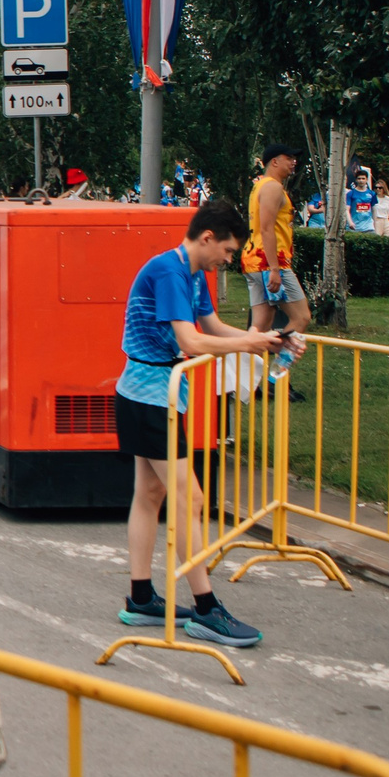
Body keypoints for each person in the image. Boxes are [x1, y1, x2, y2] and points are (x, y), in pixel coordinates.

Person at [114, 198, 283, 648]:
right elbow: (190, 339)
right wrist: (249, 346)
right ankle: (206, 609)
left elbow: (211, 324)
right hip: (150, 395)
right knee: (190, 498)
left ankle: (140, 597)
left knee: (151, 494)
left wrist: (259, 338)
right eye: (227, 252)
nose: (227, 261)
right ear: (207, 237)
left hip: (156, 393)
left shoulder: (191, 272)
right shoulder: (170, 271)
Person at [244, 147, 310, 395]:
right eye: (289, 159)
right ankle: (275, 380)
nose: (293, 163)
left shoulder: (260, 186)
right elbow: (267, 228)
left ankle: (244, 381)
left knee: (259, 329)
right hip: (271, 263)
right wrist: (274, 269)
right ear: (274, 161)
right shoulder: (272, 187)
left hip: (255, 260)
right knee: (301, 318)